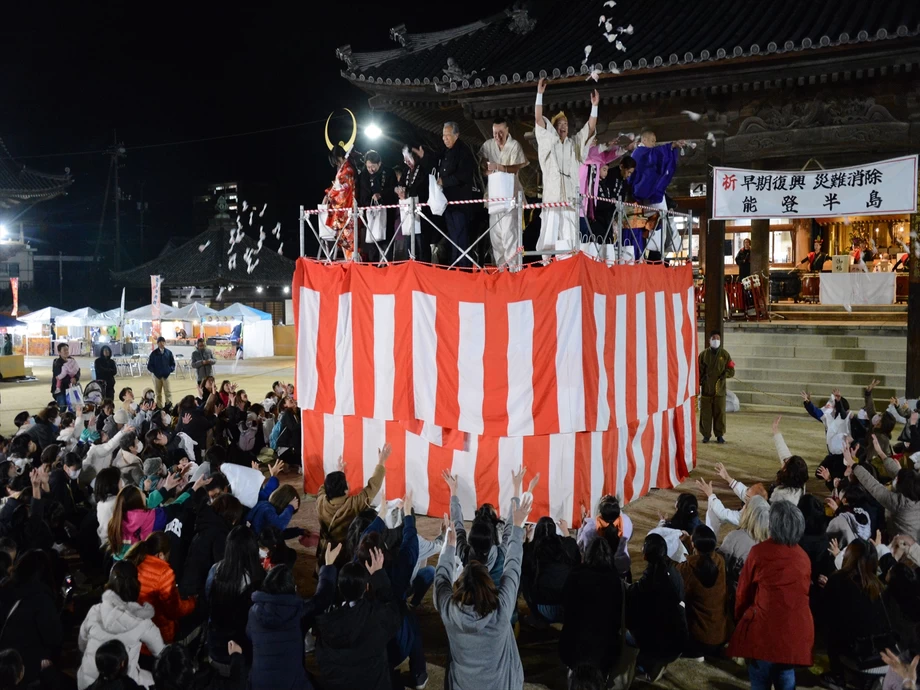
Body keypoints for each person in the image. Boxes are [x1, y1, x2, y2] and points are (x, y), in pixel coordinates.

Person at [435, 493, 533, 690]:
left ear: (459, 583)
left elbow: (441, 579)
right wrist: (516, 528)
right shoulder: (502, 608)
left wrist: (448, 546)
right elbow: (513, 564)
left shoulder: (448, 610)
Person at [727, 500, 813, 690]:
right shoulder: (804, 557)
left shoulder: (758, 553)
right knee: (786, 674)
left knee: (760, 678)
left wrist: (741, 621)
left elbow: (743, 593)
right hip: (794, 630)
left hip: (763, 631)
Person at [247, 553, 338, 690]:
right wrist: (328, 566)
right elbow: (322, 598)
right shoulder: (298, 612)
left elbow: (249, 635)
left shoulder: (254, 613)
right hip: (292, 683)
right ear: (294, 589)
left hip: (259, 683)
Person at [314, 547, 400, 690]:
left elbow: (319, 599)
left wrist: (328, 566)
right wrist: (378, 575)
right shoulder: (377, 617)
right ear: (367, 587)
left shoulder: (326, 622)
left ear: (339, 587)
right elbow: (394, 613)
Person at [533, 78, 599, 255]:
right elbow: (539, 120)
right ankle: (547, 267)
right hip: (553, 197)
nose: (563, 127)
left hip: (569, 198)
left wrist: (594, 107)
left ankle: (567, 269)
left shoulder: (573, 145)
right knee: (549, 238)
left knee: (569, 240)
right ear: (554, 128)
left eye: (566, 124)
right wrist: (539, 94)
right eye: (559, 125)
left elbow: (589, 130)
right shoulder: (549, 142)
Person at [77, 560, 165, 690]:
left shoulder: (95, 611)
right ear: (136, 585)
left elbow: (82, 645)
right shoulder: (142, 622)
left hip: (87, 683)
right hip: (122, 684)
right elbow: (161, 653)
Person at [822, 539, 894, 683]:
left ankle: (837, 676)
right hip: (888, 658)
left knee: (832, 626)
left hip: (860, 658)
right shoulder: (879, 584)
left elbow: (828, 617)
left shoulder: (838, 580)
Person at [626, 533, 688, 681]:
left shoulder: (652, 580)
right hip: (680, 638)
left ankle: (646, 667)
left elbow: (633, 598)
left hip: (664, 644)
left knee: (625, 633)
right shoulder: (674, 572)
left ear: (646, 554)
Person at [559, 535, 624, 677]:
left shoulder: (575, 574)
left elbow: (564, 603)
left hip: (572, 648)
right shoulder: (615, 581)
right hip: (605, 651)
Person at [315, 445, 388, 569]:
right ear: (345, 492)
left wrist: (339, 472)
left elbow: (325, 486)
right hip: (344, 556)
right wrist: (381, 462)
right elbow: (373, 486)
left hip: (324, 553)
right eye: (346, 484)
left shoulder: (320, 500)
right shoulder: (353, 505)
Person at [204, 525, 265, 676]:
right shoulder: (257, 580)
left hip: (215, 647)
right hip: (242, 652)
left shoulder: (215, 570)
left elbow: (207, 600)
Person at [0, 550, 63, 686]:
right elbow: (53, 638)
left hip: (4, 661)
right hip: (27, 668)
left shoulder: (5, 589)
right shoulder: (40, 598)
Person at [125, 531, 195, 646]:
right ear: (161, 554)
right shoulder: (164, 573)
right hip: (157, 636)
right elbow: (174, 611)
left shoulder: (135, 562)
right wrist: (192, 602)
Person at [479, 117, 529, 269]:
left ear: (507, 131)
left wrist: (498, 167)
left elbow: (516, 168)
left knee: (510, 236)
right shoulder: (488, 145)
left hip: (511, 197)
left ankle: (514, 272)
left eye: (501, 132)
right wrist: (484, 167)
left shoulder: (514, 145)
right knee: (496, 238)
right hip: (494, 197)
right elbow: (481, 162)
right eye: (495, 133)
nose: (498, 136)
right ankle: (501, 272)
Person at [628, 129, 685, 260]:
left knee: (661, 224)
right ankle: (654, 257)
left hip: (653, 194)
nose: (654, 144)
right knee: (655, 226)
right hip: (648, 195)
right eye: (652, 141)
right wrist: (671, 146)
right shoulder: (640, 153)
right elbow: (655, 154)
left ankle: (658, 255)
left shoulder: (645, 153)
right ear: (644, 140)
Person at [676, 525, 730, 658]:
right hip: (722, 634)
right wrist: (690, 542)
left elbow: (677, 573)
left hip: (700, 639)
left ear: (694, 544)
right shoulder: (720, 561)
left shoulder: (687, 570)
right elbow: (702, 558)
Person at [437, 121, 478, 268]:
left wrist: (444, 181)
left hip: (460, 203)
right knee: (453, 236)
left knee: (461, 236)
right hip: (448, 202)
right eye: (443, 136)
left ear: (456, 135)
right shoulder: (445, 151)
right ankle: (454, 265)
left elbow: (464, 175)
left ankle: (464, 266)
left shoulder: (464, 151)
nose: (445, 138)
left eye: (448, 135)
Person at [395, 144, 436, 263]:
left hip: (422, 212)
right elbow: (401, 184)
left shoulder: (423, 168)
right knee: (409, 241)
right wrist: (400, 191)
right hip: (408, 212)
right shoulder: (406, 171)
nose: (406, 162)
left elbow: (422, 186)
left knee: (422, 242)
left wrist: (407, 191)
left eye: (408, 158)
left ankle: (424, 268)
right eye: (405, 159)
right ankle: (411, 264)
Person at [357, 149, 395, 264]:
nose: (371, 170)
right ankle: (373, 268)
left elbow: (393, 191)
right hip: (370, 215)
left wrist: (381, 195)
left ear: (379, 163)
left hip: (387, 215)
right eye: (368, 167)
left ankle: (387, 267)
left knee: (386, 242)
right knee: (372, 244)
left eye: (373, 166)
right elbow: (362, 194)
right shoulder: (363, 175)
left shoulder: (389, 172)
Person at [699, 330, 734, 444]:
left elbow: (731, 370)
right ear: (709, 341)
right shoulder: (703, 355)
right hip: (706, 390)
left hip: (720, 390)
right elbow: (698, 371)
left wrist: (726, 374)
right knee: (706, 415)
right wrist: (701, 380)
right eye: (713, 338)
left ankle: (719, 435)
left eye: (718, 338)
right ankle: (706, 435)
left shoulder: (725, 354)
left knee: (720, 414)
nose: (716, 340)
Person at [324, 144, 357, 260]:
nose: (336, 164)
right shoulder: (343, 168)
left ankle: (353, 265)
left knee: (350, 241)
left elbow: (343, 189)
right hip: (343, 209)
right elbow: (336, 186)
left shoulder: (348, 169)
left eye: (336, 161)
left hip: (347, 209)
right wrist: (329, 193)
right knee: (345, 240)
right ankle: (350, 264)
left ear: (339, 157)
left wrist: (330, 195)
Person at [146, 337, 175, 409]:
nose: (161, 343)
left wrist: (169, 370)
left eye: (163, 342)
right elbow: (149, 365)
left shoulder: (168, 353)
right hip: (156, 376)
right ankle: (159, 406)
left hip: (166, 376)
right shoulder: (153, 354)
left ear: (165, 343)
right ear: (157, 343)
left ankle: (169, 406)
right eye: (160, 342)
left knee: (168, 392)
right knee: (158, 393)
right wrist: (155, 371)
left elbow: (172, 363)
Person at [52, 342, 80, 411]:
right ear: (59, 352)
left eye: (67, 350)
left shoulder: (72, 360)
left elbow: (78, 370)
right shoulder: (57, 362)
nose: (66, 351)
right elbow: (59, 376)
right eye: (64, 350)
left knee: (74, 406)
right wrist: (70, 380)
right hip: (60, 389)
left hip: (71, 388)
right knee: (63, 406)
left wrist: (75, 378)